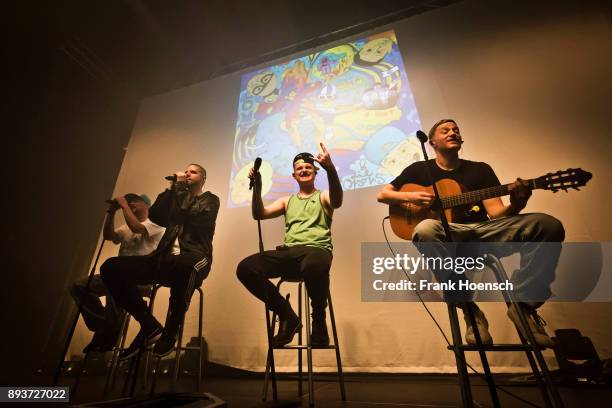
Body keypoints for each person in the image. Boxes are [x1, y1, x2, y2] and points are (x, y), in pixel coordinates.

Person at [377, 119, 565, 346]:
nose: (452, 132)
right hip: (450, 236)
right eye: (445, 130)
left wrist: (518, 204)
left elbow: (496, 214)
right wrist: (412, 197)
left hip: (483, 232)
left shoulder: (480, 170)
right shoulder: (419, 170)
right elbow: (384, 194)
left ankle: (523, 306)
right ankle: (469, 311)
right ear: (432, 142)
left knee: (548, 225)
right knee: (425, 228)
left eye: (456, 130)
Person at [101, 164, 220, 358]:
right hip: (164, 259)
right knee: (111, 267)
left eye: (193, 172)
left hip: (196, 258)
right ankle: (150, 326)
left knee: (185, 265)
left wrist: (181, 186)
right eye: (186, 171)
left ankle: (170, 331)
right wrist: (171, 189)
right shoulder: (177, 195)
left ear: (204, 178)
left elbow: (190, 213)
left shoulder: (211, 200)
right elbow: (155, 216)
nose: (187, 173)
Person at [236, 144, 343, 347]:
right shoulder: (287, 201)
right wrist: (257, 188)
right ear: (294, 175)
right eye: (299, 168)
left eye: (308, 168)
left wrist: (331, 169)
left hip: (316, 251)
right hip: (289, 253)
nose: (303, 170)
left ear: (315, 172)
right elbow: (259, 214)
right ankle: (287, 315)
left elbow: (337, 201)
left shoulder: (323, 196)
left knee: (314, 265)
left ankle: (318, 321)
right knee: (246, 268)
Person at [70, 194, 164, 353]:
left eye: (135, 201)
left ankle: (110, 333)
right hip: (118, 276)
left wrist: (124, 205)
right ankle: (102, 325)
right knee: (78, 287)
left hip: (141, 279)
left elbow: (136, 228)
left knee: (114, 283)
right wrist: (112, 212)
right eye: (128, 202)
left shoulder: (155, 225)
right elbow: (109, 236)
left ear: (146, 205)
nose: (131, 204)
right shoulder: (126, 228)